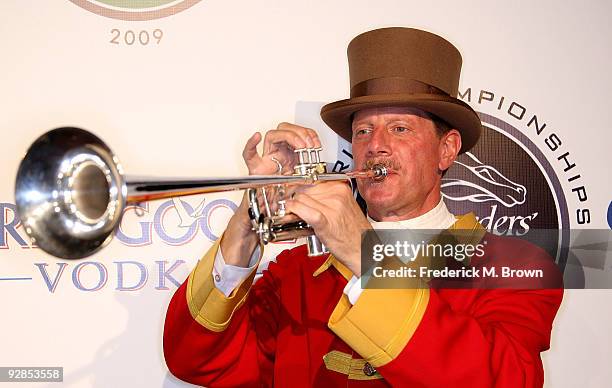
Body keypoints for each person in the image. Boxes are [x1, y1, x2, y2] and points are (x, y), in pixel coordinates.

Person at [163, 27, 563, 387]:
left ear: (447, 149)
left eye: (400, 129)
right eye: (363, 131)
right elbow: (195, 361)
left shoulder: (515, 265)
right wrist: (250, 216)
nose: (376, 145)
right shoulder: (296, 273)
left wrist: (362, 252)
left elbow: (504, 380)